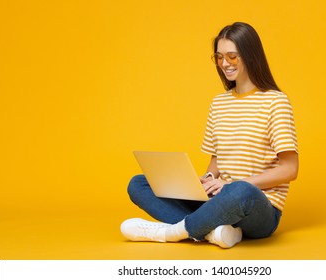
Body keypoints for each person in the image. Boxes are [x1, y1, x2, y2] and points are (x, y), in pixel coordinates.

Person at [120, 22, 299, 248]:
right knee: (139, 183)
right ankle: (214, 232)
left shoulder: (276, 102)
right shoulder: (219, 103)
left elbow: (290, 169)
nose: (225, 64)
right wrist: (208, 180)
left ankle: (172, 232)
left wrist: (231, 185)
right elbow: (217, 160)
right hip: (217, 200)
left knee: (240, 189)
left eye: (232, 56)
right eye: (219, 57)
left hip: (256, 206)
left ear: (250, 55)